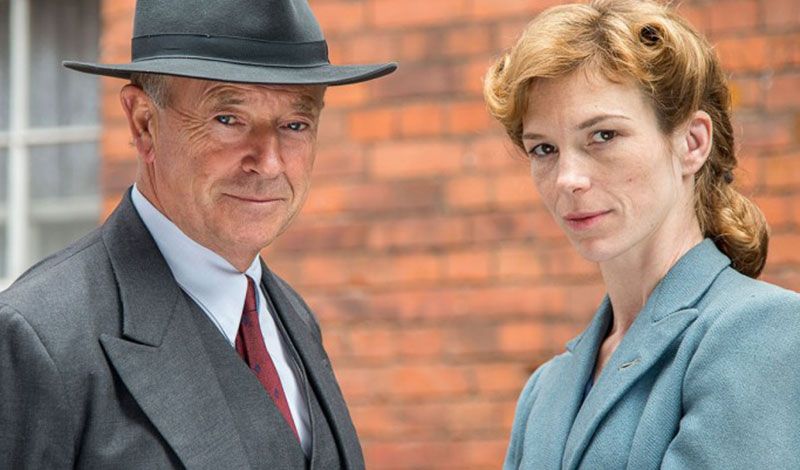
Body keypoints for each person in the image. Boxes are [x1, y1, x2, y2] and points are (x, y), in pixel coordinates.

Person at [0, 0, 395, 468]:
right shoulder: (37, 339)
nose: (268, 163)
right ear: (143, 123)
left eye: (295, 124)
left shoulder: (292, 318)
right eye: (229, 119)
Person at [483, 0, 800, 468]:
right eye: (543, 148)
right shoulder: (545, 393)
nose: (568, 178)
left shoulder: (761, 331)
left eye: (603, 135)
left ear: (692, 142)